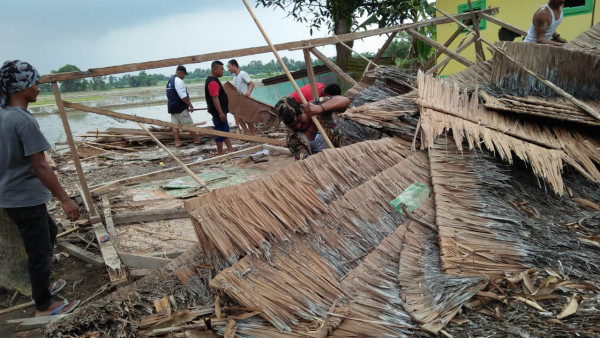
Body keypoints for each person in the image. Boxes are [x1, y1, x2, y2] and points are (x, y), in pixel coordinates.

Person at [0, 60, 80, 316]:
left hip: (11, 196)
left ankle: (41, 286)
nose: (38, 87)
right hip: (24, 198)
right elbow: (41, 166)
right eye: (35, 82)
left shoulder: (4, 115)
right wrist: (65, 199)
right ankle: (43, 305)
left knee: (49, 230)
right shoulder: (22, 121)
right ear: (21, 86)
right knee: (38, 251)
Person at [275, 93, 349, 160]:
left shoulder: (315, 105)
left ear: (303, 109)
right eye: (292, 126)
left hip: (346, 151)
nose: (298, 126)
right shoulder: (292, 139)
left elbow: (345, 100)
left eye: (299, 121)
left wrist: (321, 107)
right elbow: (304, 163)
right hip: (324, 165)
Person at [166, 65, 201, 147]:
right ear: (181, 73)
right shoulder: (178, 81)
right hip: (180, 107)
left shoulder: (170, 81)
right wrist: (190, 105)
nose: (184, 76)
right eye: (184, 74)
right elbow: (183, 96)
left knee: (175, 126)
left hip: (172, 107)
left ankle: (177, 142)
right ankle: (196, 139)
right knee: (189, 124)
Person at [205, 61, 235, 155]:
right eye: (221, 69)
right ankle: (220, 151)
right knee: (219, 130)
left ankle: (230, 148)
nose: (223, 71)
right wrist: (220, 112)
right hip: (218, 112)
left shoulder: (215, 79)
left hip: (221, 111)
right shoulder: (212, 82)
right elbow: (215, 98)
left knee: (225, 129)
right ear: (215, 69)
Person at [227, 59, 255, 135]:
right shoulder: (234, 78)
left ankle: (252, 135)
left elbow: (251, 84)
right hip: (239, 101)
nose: (228, 69)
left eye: (229, 66)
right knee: (238, 117)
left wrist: (248, 93)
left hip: (246, 100)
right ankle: (247, 133)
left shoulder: (243, 74)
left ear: (234, 65)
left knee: (248, 118)